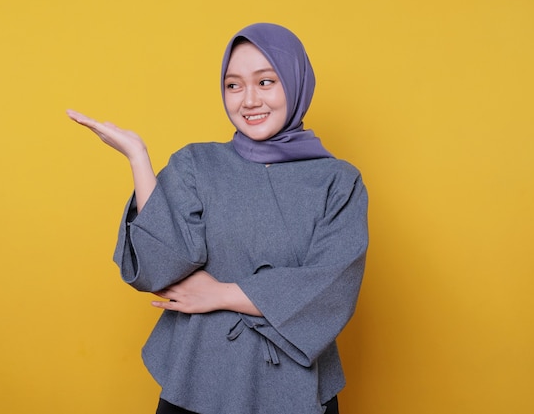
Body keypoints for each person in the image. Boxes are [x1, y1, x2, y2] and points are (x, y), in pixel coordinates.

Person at [67, 22, 368, 414]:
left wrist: (220, 294)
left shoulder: (338, 181)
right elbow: (162, 266)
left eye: (265, 82)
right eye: (233, 85)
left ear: (295, 83)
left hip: (296, 385)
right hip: (199, 375)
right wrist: (139, 158)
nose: (248, 101)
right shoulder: (197, 163)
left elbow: (331, 285)